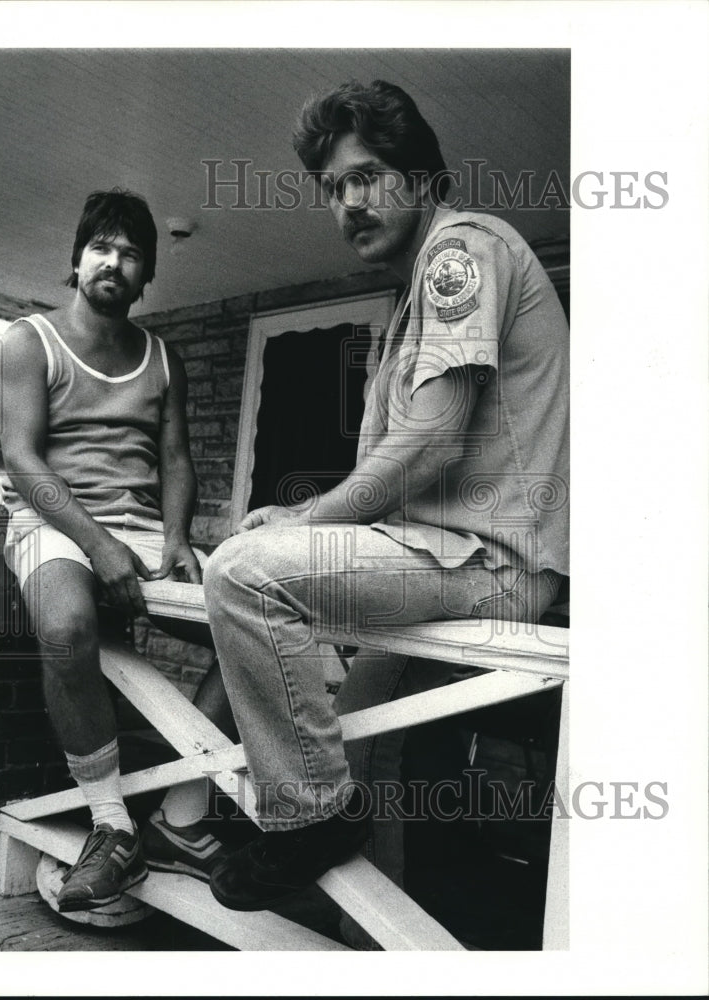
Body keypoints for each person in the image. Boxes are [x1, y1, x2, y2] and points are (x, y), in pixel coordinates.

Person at [202, 80, 569, 916]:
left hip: (491, 563)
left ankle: (309, 821)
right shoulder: (414, 297)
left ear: (424, 178)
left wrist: (304, 523)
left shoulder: (458, 253)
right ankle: (367, 926)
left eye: (367, 176)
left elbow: (434, 437)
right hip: (442, 555)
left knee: (243, 575)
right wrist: (301, 521)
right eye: (333, 189)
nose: (348, 202)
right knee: (361, 744)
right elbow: (412, 464)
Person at [0, 189, 224, 912]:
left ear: (147, 272)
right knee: (65, 627)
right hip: (51, 520)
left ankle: (183, 813)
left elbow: (177, 459)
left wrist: (179, 538)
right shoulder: (29, 340)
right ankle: (112, 822)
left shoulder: (162, 356)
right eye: (101, 247)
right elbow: (24, 462)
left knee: (255, 619)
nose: (113, 262)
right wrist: (98, 546)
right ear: (76, 258)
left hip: (144, 530)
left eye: (130, 253)